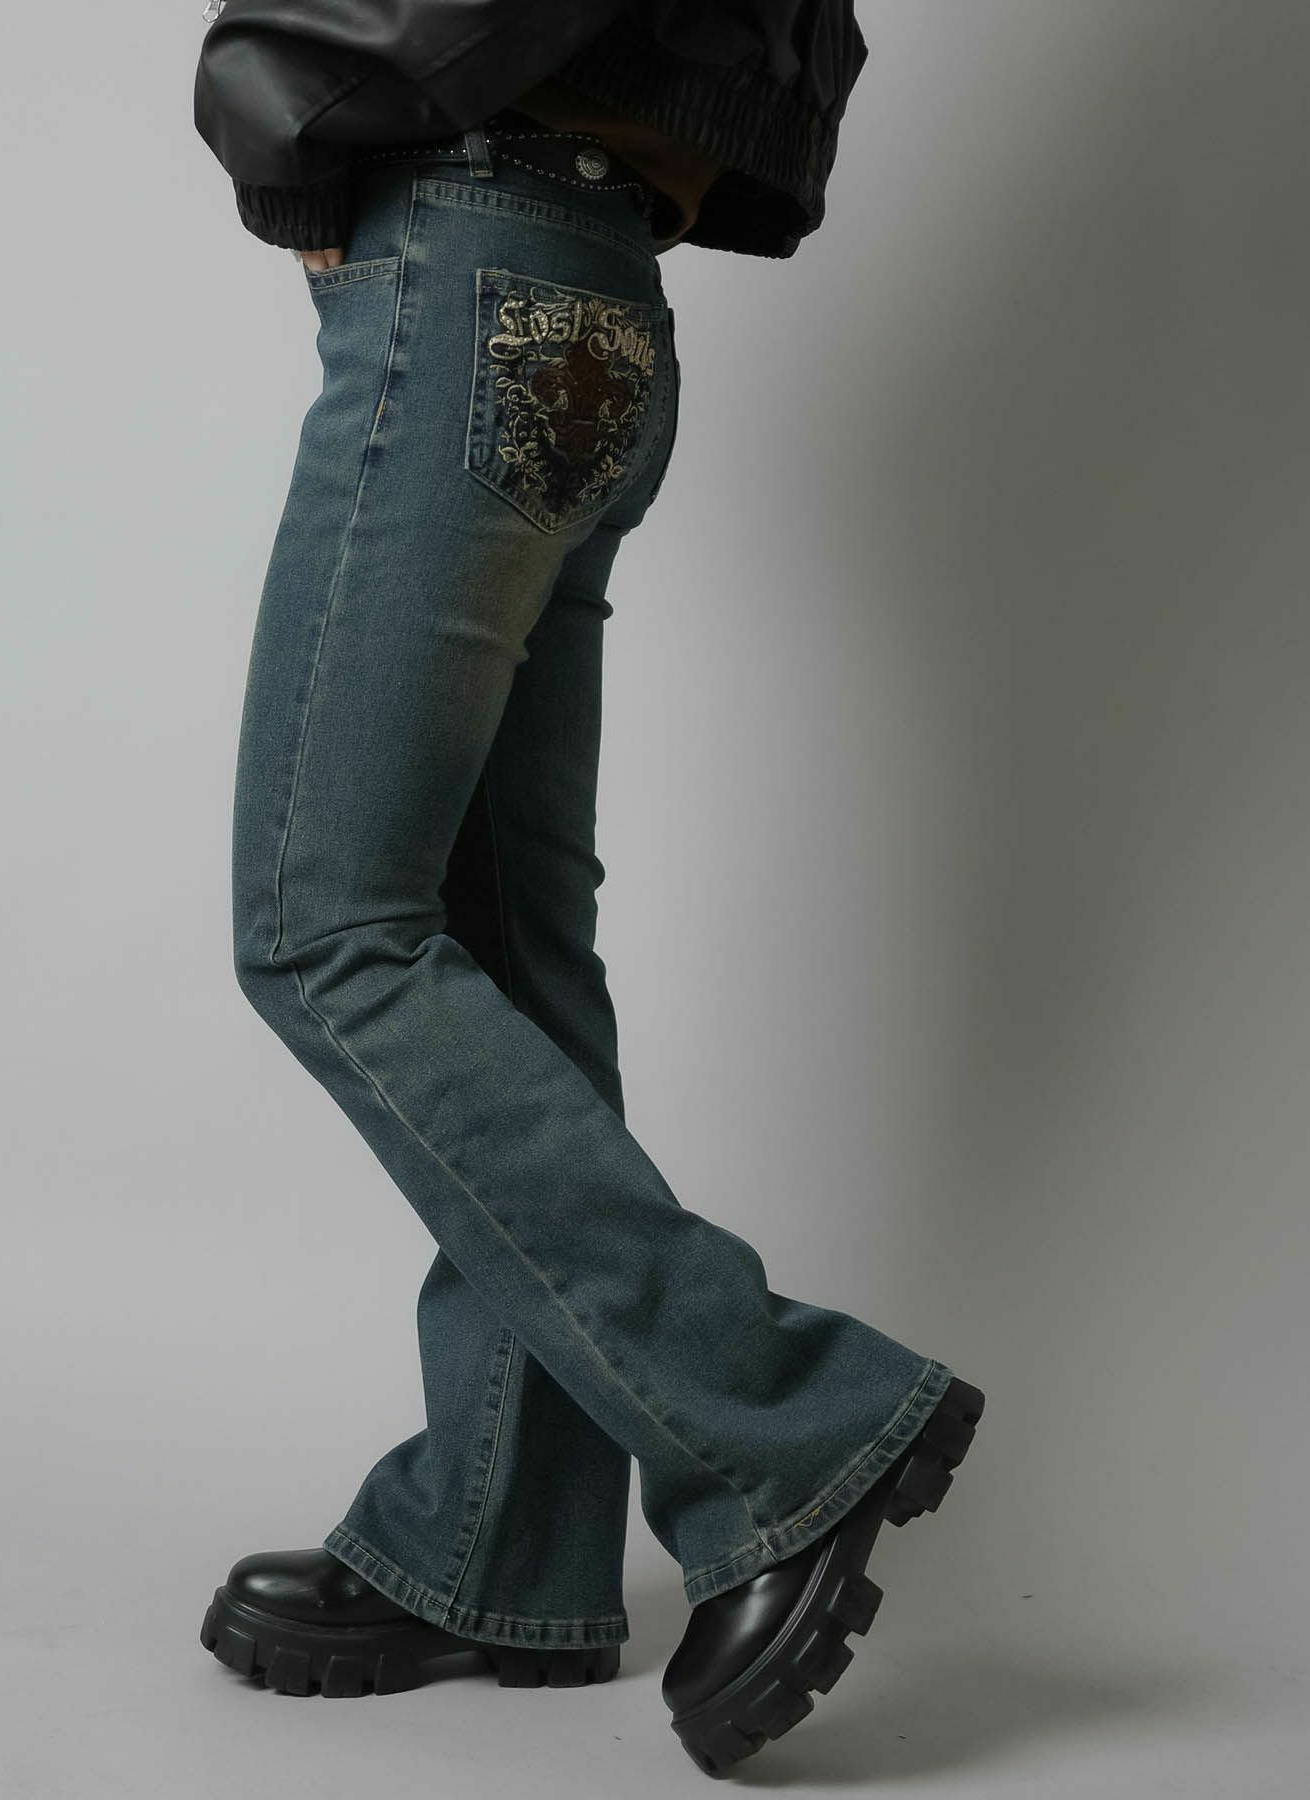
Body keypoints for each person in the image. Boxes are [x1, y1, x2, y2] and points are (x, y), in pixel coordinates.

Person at [191, 1, 985, 1777]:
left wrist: (290, 124)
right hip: (592, 271)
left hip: (471, 253)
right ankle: (497, 1540)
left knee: (326, 929)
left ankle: (786, 1419)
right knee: (500, 944)